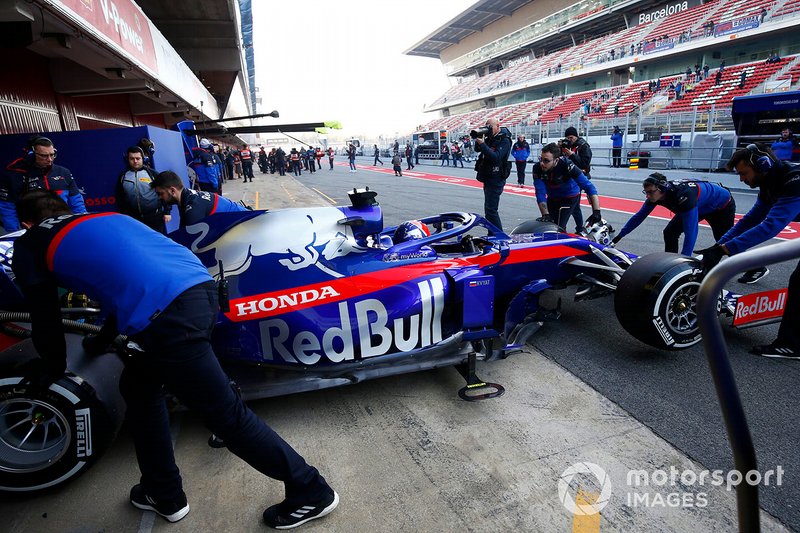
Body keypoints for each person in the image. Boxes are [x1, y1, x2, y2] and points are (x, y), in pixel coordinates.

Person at [12, 189, 339, 528]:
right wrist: (103, 342)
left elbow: (45, 318)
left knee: (226, 415)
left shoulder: (30, 243)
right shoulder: (105, 219)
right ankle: (162, 491)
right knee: (139, 388)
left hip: (170, 318)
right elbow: (122, 284)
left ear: (25, 223)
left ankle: (310, 489)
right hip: (201, 290)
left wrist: (49, 370)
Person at [695, 144, 800, 358]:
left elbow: (770, 226)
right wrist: (718, 246)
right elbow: (751, 219)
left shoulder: (793, 182)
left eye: (744, 173)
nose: (742, 179)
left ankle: (791, 345)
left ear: (762, 165)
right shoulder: (769, 182)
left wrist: (726, 249)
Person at [611, 172, 768, 282]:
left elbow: (691, 232)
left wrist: (684, 263)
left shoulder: (683, 196)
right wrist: (619, 236)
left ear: (661, 188)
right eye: (645, 193)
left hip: (721, 206)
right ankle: (669, 264)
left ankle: (756, 268)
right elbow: (638, 217)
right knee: (670, 232)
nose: (648, 196)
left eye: (650, 192)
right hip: (701, 205)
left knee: (723, 243)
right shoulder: (656, 195)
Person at [0, 136, 86, 232]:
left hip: (62, 228)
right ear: (31, 154)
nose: (49, 159)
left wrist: (81, 225)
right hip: (32, 230)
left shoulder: (63, 172)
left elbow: (77, 203)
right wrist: (16, 233)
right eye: (44, 155)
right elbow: (7, 208)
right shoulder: (15, 175)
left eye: (52, 155)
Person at [532, 143, 602, 232]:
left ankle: (578, 229)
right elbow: (540, 191)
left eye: (546, 161)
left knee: (559, 226)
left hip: (569, 196)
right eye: (540, 159)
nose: (542, 163)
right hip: (553, 196)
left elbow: (589, 187)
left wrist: (596, 211)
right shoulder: (537, 168)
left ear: (556, 160)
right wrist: (545, 214)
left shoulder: (567, 165)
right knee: (549, 224)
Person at [151, 170, 247, 228]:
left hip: (246, 223)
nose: (160, 197)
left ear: (172, 191)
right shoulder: (186, 196)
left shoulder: (193, 208)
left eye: (161, 193)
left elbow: (192, 244)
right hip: (240, 220)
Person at [115, 145, 169, 234]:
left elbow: (164, 192)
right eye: (132, 158)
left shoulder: (152, 174)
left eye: (137, 158)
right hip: (134, 218)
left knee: (157, 242)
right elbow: (119, 196)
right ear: (127, 159)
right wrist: (122, 214)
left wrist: (167, 212)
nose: (135, 161)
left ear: (143, 159)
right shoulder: (123, 176)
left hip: (154, 216)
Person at [473, 117, 512, 231]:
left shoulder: (505, 140)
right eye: (486, 127)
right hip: (488, 176)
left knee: (491, 210)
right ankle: (493, 235)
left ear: (498, 126)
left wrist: (483, 144)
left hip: (497, 177)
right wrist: (480, 139)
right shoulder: (490, 138)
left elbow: (496, 157)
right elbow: (477, 149)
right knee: (489, 210)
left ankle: (499, 236)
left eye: (490, 127)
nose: (488, 129)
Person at [561, 126, 593, 231]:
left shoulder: (583, 146)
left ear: (576, 136)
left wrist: (571, 155)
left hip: (579, 177)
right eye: (567, 138)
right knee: (573, 204)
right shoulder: (567, 146)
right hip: (568, 177)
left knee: (573, 204)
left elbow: (584, 164)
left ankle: (577, 228)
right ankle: (577, 228)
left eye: (571, 137)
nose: (569, 140)